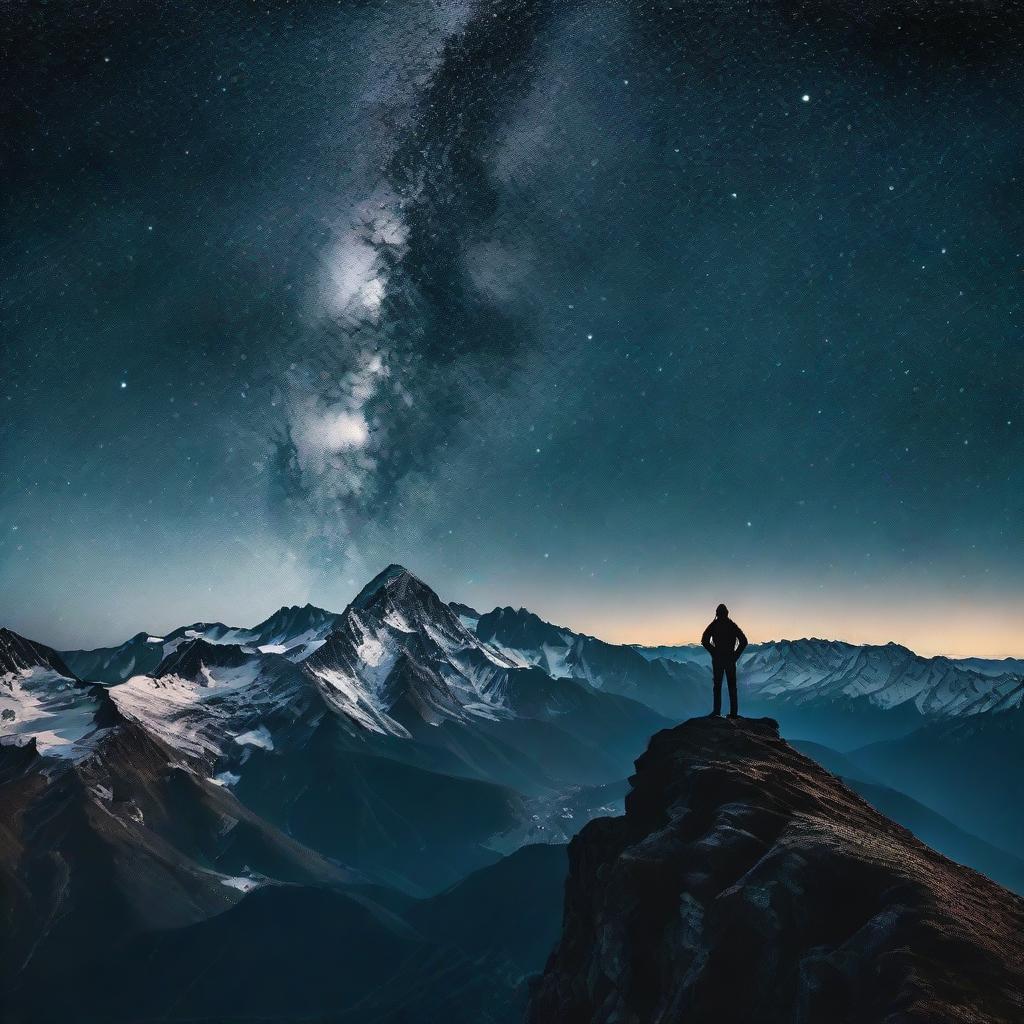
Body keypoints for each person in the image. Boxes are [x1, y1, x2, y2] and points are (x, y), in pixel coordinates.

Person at [700, 603, 748, 718]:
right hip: (730, 660)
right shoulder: (732, 625)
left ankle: (717, 712)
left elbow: (704, 640)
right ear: (727, 613)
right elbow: (744, 641)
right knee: (732, 686)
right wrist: (735, 655)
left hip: (718, 660)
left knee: (717, 686)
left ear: (717, 613)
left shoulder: (714, 625)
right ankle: (734, 713)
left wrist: (714, 651)